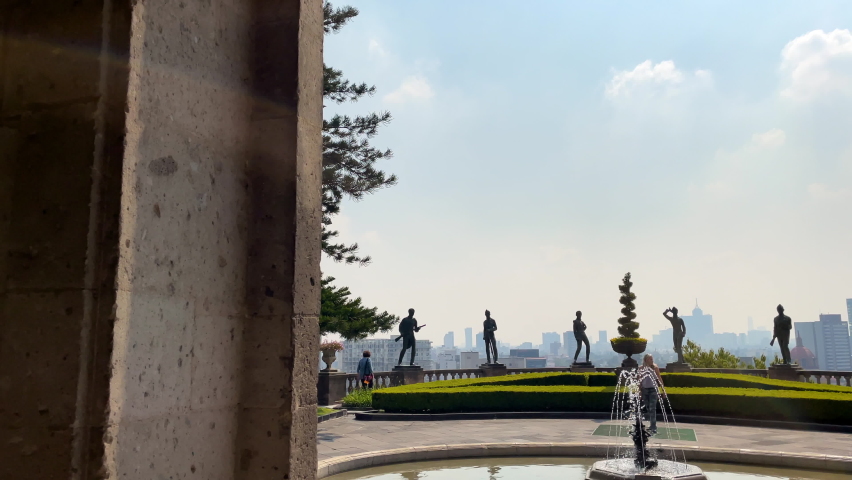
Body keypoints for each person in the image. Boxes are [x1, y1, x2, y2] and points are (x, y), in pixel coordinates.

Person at [638, 354, 666, 434]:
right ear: (646, 360)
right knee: (648, 407)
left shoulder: (655, 368)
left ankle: (653, 426)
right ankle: (651, 424)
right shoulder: (641, 368)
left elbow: (659, 379)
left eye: (652, 359)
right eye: (650, 359)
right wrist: (639, 391)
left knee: (652, 408)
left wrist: (663, 390)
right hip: (645, 390)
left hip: (653, 390)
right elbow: (639, 380)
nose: (652, 360)